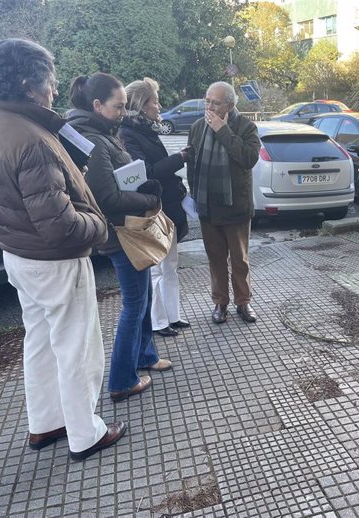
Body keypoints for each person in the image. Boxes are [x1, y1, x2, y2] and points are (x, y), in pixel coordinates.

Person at [0, 39, 126, 461]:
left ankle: (45, 424)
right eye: (50, 83)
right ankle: (85, 433)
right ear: (28, 85)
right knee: (76, 346)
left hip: (18, 255)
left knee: (39, 341)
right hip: (53, 261)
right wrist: (99, 226)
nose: (54, 91)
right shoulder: (30, 138)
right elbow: (59, 226)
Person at [67, 72, 172, 403]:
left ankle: (145, 357)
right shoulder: (94, 140)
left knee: (142, 297)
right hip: (120, 234)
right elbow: (107, 198)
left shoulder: (98, 132)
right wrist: (149, 198)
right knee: (134, 303)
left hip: (125, 232)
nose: (124, 113)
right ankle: (122, 380)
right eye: (119, 106)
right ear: (97, 105)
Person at [120, 78, 191, 338]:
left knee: (170, 264)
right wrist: (179, 158)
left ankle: (173, 315)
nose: (159, 106)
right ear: (141, 104)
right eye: (155, 101)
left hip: (167, 206)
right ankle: (158, 321)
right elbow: (146, 173)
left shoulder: (145, 129)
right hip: (152, 210)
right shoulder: (128, 133)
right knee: (158, 267)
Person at [186, 81, 261, 324]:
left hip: (236, 208)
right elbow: (192, 164)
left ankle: (244, 302)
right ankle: (220, 303)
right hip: (209, 208)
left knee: (240, 260)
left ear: (229, 104)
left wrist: (222, 130)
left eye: (215, 102)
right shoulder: (197, 127)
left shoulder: (246, 126)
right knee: (215, 259)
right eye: (207, 101)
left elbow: (248, 158)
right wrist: (195, 195)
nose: (209, 106)